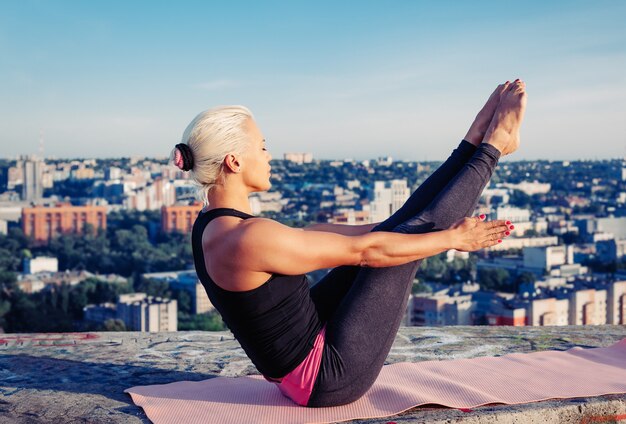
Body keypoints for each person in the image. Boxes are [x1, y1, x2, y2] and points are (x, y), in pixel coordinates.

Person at [173, 80, 527, 407]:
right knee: (397, 246)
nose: (269, 157)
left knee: (398, 228)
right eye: (262, 147)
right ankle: (493, 147)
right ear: (234, 161)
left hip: (306, 358)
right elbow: (370, 253)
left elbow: (374, 235)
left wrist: (412, 224)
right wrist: (453, 239)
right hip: (328, 377)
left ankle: (476, 140)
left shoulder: (213, 225)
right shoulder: (247, 238)